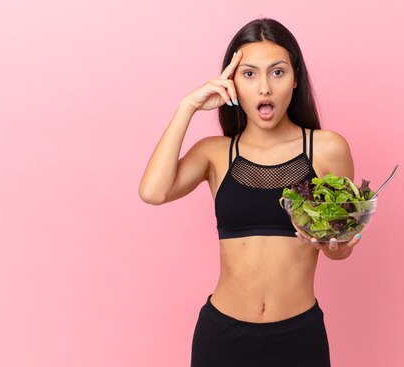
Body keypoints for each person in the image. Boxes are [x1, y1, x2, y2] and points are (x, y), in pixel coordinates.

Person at [139, 18, 363, 367]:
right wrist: (188, 106)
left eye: (277, 72)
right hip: (222, 337)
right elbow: (153, 191)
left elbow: (338, 249)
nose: (264, 89)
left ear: (296, 78)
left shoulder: (327, 149)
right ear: (230, 83)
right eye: (249, 74)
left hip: (299, 338)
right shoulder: (215, 153)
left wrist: (337, 244)